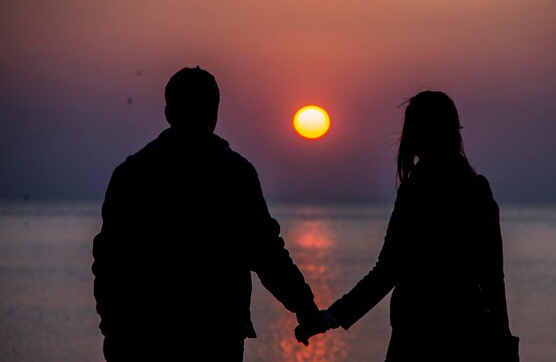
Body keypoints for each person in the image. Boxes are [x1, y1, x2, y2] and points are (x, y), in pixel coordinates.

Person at [92, 66, 328, 361]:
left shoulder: (130, 173)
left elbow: (108, 258)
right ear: (214, 114)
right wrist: (304, 307)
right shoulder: (234, 173)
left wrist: (111, 325)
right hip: (215, 335)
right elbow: (267, 254)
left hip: (140, 334)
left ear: (168, 111)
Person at [296, 90, 519, 361]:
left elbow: (388, 270)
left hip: (415, 336)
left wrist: (332, 316)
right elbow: (493, 276)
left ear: (415, 135)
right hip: (468, 334)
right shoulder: (476, 189)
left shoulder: (416, 192)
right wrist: (503, 337)